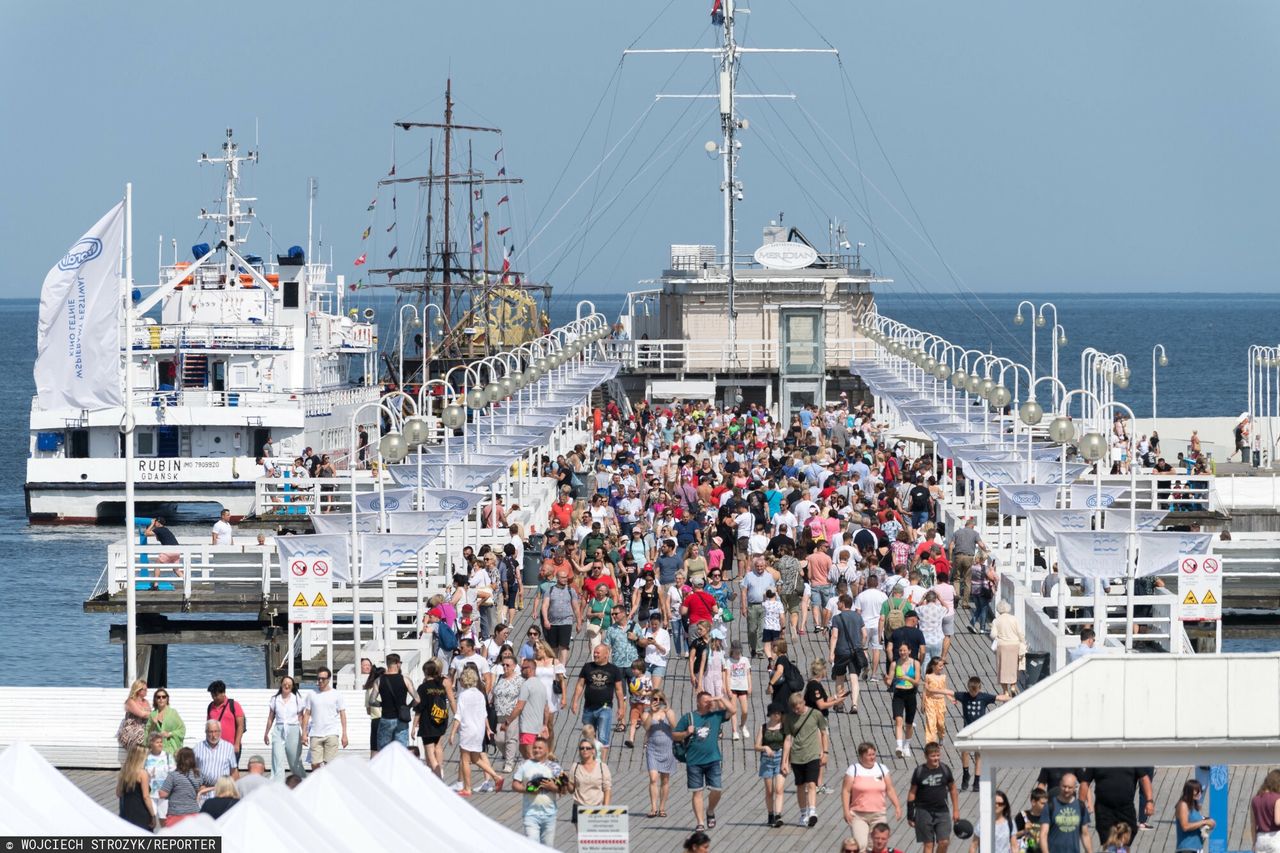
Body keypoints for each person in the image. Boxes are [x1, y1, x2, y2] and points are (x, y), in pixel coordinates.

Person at [674, 690, 734, 832]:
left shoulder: (716, 715)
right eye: (706, 701)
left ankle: (710, 811)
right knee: (697, 792)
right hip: (694, 761)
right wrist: (686, 733)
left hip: (713, 760)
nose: (709, 703)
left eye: (710, 701)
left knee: (717, 790)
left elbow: (733, 710)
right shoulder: (688, 717)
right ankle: (700, 822)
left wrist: (720, 698)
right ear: (698, 702)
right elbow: (675, 735)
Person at [450, 666, 504, 796]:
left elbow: (458, 716)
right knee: (475, 758)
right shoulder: (480, 694)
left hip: (467, 730)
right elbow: (484, 714)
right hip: (478, 730)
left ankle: (467, 788)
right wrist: (488, 729)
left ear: (464, 680)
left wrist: (452, 733)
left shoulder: (463, 695)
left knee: (465, 759)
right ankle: (496, 776)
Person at [782, 690, 830, 828]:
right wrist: (785, 761)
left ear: (803, 702)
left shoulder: (815, 714)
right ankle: (803, 813)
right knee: (800, 786)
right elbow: (787, 739)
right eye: (794, 708)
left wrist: (825, 752)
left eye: (799, 707)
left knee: (811, 784)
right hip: (797, 756)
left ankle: (813, 812)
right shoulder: (790, 718)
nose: (797, 710)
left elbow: (823, 733)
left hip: (812, 754)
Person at [570, 643, 626, 762]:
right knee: (588, 736)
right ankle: (590, 760)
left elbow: (619, 690)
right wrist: (575, 701)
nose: (595, 655)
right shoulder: (587, 667)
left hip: (605, 708)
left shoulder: (613, 669)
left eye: (598, 653)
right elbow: (580, 685)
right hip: (588, 708)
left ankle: (602, 764)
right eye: (594, 652)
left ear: (606, 654)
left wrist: (621, 708)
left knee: (603, 737)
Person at [842, 743, 903, 850]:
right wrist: (846, 811)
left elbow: (890, 789)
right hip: (858, 815)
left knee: (877, 846)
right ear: (861, 756)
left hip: (878, 814)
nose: (872, 757)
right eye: (869, 755)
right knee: (861, 845)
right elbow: (846, 791)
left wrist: (897, 806)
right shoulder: (853, 769)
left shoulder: (882, 769)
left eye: (874, 754)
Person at [953, 678, 1009, 791]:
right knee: (965, 751)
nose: (973, 693)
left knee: (978, 755)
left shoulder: (983, 697)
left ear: (979, 688)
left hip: (980, 731)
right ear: (968, 688)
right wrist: (934, 689)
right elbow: (949, 692)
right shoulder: (964, 696)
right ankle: (965, 773)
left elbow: (998, 697)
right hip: (967, 730)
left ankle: (977, 781)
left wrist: (1014, 699)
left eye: (975, 691)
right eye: (971, 691)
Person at [512, 735, 567, 846]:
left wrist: (553, 787)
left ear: (547, 750)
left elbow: (564, 789)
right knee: (532, 847)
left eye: (540, 748)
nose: (537, 750)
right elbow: (515, 785)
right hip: (530, 814)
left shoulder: (555, 767)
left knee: (548, 848)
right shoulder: (524, 764)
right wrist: (527, 790)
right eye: (535, 747)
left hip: (549, 814)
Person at [908, 742, 960, 853]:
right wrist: (910, 814)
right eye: (933, 756)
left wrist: (956, 810)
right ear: (926, 756)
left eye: (938, 755)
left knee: (944, 842)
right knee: (928, 844)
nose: (936, 758)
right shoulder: (919, 771)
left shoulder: (945, 769)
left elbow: (953, 789)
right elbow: (912, 793)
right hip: (923, 812)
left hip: (942, 811)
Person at [1082, 767, 1152, 845]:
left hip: (1126, 808)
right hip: (1104, 809)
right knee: (1109, 842)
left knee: (1125, 843)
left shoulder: (1132, 758)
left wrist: (1149, 801)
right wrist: (1080, 804)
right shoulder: (1097, 759)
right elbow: (1085, 782)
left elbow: (1144, 778)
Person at [413, 659, 454, 777]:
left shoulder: (423, 687)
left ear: (426, 672)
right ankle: (439, 770)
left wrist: (414, 725)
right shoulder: (441, 686)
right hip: (440, 721)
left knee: (430, 752)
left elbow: (419, 708)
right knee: (438, 746)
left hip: (428, 723)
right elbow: (448, 700)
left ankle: (437, 776)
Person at [505, 658, 550, 761]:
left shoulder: (526, 685)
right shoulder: (541, 685)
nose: (521, 670)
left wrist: (508, 721)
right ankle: (532, 771)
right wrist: (544, 725)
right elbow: (546, 708)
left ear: (530, 669)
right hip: (537, 727)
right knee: (522, 749)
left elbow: (519, 706)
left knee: (531, 755)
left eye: (523, 668)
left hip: (528, 727)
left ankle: (539, 774)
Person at [302, 665, 348, 766]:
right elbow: (307, 714)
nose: (320, 681)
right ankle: (317, 782)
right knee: (315, 764)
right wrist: (304, 733)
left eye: (323, 679)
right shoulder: (311, 694)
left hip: (331, 733)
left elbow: (342, 714)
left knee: (330, 765)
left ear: (329, 679)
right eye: (318, 678)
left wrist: (344, 734)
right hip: (315, 733)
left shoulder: (336, 694)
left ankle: (329, 782)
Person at [641, 689, 677, 818]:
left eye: (659, 699)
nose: (657, 702)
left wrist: (667, 712)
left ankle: (662, 807)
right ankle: (653, 808)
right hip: (652, 749)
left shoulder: (669, 712)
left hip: (668, 748)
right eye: (654, 699)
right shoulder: (646, 714)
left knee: (665, 780)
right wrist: (651, 712)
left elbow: (675, 727)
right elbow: (646, 727)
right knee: (653, 778)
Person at [263, 675, 307, 781]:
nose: (287, 685)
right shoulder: (275, 699)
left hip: (293, 730)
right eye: (285, 683)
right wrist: (266, 733)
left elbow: (301, 718)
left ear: (292, 687)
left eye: (289, 684)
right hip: (278, 730)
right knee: (277, 759)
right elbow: (270, 718)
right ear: (281, 684)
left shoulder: (296, 699)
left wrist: (304, 734)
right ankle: (277, 785)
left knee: (294, 761)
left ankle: (302, 781)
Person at [829, 593, 867, 713]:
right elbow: (864, 634)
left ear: (843, 603)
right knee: (854, 678)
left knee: (840, 678)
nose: (837, 604)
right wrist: (860, 645)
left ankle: (840, 704)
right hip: (855, 651)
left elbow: (834, 636)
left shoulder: (837, 618)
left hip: (841, 651)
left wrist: (831, 653)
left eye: (838, 602)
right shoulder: (857, 616)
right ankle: (854, 704)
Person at [1041, 772, 1093, 853]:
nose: (1066, 790)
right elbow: (1043, 834)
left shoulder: (1080, 806)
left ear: (1075, 788)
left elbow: (1085, 834)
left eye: (1070, 787)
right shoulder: (1050, 806)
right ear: (1060, 784)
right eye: (1064, 786)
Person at [373, 653, 415, 750]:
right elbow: (417, 699)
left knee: (384, 751)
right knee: (402, 751)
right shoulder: (405, 680)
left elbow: (371, 701)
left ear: (387, 664)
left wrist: (381, 704)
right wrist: (408, 706)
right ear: (397, 664)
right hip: (401, 719)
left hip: (386, 718)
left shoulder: (379, 680)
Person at [755, 704, 787, 828]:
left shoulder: (784, 727)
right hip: (766, 760)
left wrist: (786, 761)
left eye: (779, 713)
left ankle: (778, 815)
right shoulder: (763, 727)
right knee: (769, 791)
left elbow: (787, 744)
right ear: (770, 714)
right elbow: (756, 746)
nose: (777, 715)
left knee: (779, 789)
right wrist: (765, 747)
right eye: (775, 713)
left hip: (780, 757)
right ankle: (770, 814)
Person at [541, 569, 582, 666]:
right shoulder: (550, 590)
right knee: (553, 647)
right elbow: (545, 606)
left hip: (566, 622)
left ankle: (562, 667)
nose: (565, 579)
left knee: (564, 646)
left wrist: (579, 622)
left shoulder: (571, 591)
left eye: (566, 577)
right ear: (557, 578)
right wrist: (546, 620)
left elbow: (576, 608)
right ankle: (554, 665)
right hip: (552, 622)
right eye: (563, 577)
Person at [568, 738, 613, 822]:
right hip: (579, 807)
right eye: (582, 748)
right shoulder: (575, 767)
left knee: (595, 835)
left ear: (593, 750)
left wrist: (605, 808)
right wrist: (566, 782)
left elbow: (607, 789)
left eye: (587, 748)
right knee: (582, 835)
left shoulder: (602, 767)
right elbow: (571, 790)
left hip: (597, 807)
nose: (584, 750)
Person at [741, 558, 777, 658]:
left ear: (765, 566)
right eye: (757, 566)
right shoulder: (749, 576)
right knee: (752, 629)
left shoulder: (769, 576)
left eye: (761, 566)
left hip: (765, 605)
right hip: (752, 606)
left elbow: (773, 590)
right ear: (754, 566)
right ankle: (753, 647)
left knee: (762, 629)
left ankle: (760, 650)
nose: (759, 568)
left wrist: (774, 605)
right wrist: (743, 607)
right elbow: (744, 591)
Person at [890, 642, 921, 759]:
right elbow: (889, 681)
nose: (902, 653)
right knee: (898, 721)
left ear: (909, 651)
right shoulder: (894, 664)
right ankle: (899, 746)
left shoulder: (915, 663)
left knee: (909, 724)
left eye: (904, 650)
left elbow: (917, 682)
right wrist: (886, 680)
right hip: (898, 694)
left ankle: (906, 745)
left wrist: (907, 677)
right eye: (900, 651)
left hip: (910, 694)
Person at [157, 747, 203, 827]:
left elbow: (162, 794)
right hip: (193, 814)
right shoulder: (198, 775)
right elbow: (209, 783)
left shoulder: (173, 775)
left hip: (176, 814)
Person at [117, 744, 156, 830]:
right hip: (140, 813)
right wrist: (153, 815)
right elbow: (146, 797)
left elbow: (118, 793)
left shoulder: (124, 770)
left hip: (126, 812)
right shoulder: (142, 773)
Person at [990, 601, 1026, 694]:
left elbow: (993, 635)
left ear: (999, 610)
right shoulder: (1014, 619)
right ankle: (1013, 686)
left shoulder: (996, 621)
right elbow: (1020, 633)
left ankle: (1005, 691)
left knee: (1002, 668)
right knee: (1014, 667)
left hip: (1002, 646)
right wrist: (1023, 642)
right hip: (1014, 645)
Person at [205, 680, 245, 761]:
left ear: (223, 693)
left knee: (232, 771)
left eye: (216, 695)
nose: (214, 698)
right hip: (215, 746)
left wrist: (237, 744)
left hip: (231, 746)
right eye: (212, 695)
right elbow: (208, 727)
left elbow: (240, 726)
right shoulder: (210, 707)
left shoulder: (234, 705)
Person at [194, 720, 238, 790]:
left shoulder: (228, 747)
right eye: (210, 732)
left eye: (216, 731)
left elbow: (234, 771)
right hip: (204, 790)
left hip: (223, 789)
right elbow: (193, 770)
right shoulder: (197, 747)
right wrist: (197, 786)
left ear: (220, 731)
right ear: (206, 732)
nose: (213, 735)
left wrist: (234, 790)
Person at [1174, 779, 1214, 853]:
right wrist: (1203, 822)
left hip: (1197, 848)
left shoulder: (1194, 807)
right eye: (1197, 791)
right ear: (1188, 791)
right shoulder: (1183, 805)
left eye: (1200, 791)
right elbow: (1185, 827)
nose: (1199, 793)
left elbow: (1197, 825)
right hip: (1187, 848)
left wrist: (1209, 824)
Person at [726, 640, 753, 739]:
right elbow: (727, 676)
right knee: (733, 710)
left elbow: (748, 674)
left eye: (739, 652)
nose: (738, 654)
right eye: (736, 652)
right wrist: (728, 689)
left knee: (745, 710)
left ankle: (742, 725)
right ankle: (734, 731)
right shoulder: (728, 661)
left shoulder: (745, 660)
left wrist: (750, 686)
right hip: (733, 687)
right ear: (732, 651)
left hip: (743, 687)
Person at [146, 688, 185, 756]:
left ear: (167, 699)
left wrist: (169, 734)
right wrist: (153, 724)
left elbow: (182, 729)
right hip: (156, 747)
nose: (161, 699)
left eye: (163, 697)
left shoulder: (173, 713)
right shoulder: (152, 714)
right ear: (155, 699)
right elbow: (147, 733)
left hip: (171, 746)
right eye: (158, 697)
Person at [1252, 769, 1280, 853]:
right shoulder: (1277, 798)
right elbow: (1278, 821)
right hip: (1275, 839)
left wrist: (1254, 843)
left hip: (1260, 840)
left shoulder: (1255, 799)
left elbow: (1253, 824)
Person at [118, 679, 150, 751]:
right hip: (131, 729)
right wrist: (155, 714)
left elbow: (149, 716)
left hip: (143, 727)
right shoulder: (130, 701)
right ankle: (137, 759)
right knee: (143, 735)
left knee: (156, 735)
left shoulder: (146, 702)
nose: (147, 690)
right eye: (145, 689)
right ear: (138, 690)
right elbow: (142, 714)